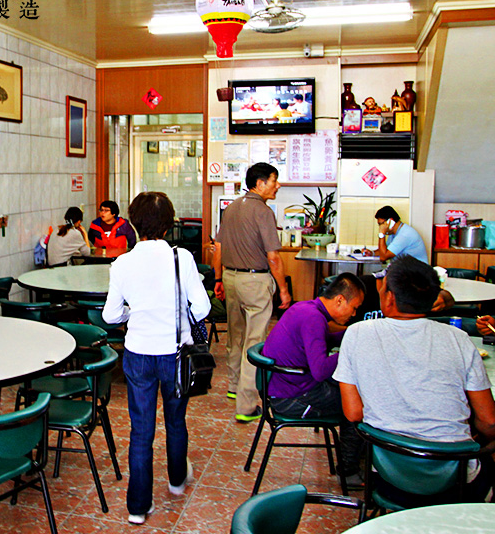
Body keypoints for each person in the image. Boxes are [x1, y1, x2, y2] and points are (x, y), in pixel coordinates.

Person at [334, 256, 495, 504]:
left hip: (389, 476)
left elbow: (354, 414)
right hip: (455, 480)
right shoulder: (459, 338)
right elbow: (489, 422)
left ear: (389, 297)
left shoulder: (356, 334)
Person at [102, 192, 210, 525]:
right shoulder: (182, 258)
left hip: (137, 355)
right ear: (168, 224)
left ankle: (138, 506)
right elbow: (203, 308)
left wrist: (132, 311)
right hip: (174, 354)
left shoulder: (122, 263)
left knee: (140, 431)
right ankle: (177, 482)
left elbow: (110, 316)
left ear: (134, 221)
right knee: (176, 421)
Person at [262, 273, 366, 483]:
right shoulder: (314, 319)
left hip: (285, 386)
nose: (354, 314)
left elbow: (322, 341)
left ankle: (353, 462)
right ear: (339, 300)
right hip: (291, 399)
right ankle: (349, 472)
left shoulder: (305, 308)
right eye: (354, 308)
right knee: (356, 405)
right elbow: (319, 370)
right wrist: (349, 350)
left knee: (351, 392)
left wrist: (351, 334)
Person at [212, 162, 291, 422]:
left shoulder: (232, 208)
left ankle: (234, 387)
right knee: (254, 341)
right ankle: (246, 407)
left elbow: (218, 247)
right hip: (254, 281)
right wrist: (284, 289)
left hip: (230, 277)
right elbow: (274, 258)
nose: (277, 185)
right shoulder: (264, 212)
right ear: (260, 184)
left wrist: (218, 279)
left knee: (235, 335)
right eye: (274, 180)